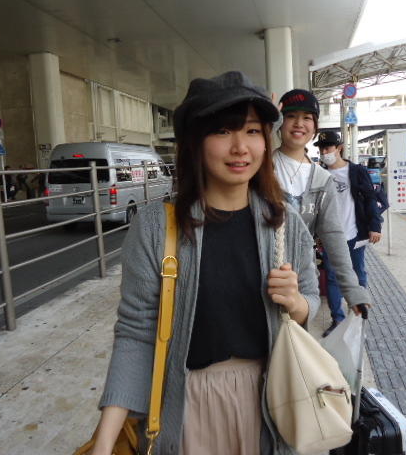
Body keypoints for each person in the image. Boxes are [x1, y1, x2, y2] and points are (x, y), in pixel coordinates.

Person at [90, 71, 320, 455]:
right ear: (195, 142)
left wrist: (296, 303)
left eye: (252, 131)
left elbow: (311, 300)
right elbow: (136, 332)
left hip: (271, 404)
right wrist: (104, 442)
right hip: (187, 407)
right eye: (223, 131)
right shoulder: (156, 227)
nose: (240, 147)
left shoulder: (284, 222)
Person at [272, 89, 371, 331]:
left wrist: (352, 290)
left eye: (307, 117)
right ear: (279, 122)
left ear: (315, 126)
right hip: (262, 276)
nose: (299, 123)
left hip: (301, 283)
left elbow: (333, 235)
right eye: (291, 116)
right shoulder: (261, 168)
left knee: (294, 346)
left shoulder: (322, 179)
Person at [314, 130, 382, 337]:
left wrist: (375, 226)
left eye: (328, 148)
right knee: (333, 278)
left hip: (354, 233)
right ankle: (337, 319)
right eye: (321, 149)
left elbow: (370, 198)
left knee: (358, 273)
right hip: (330, 237)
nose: (324, 152)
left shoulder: (357, 171)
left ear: (339, 148)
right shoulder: (319, 174)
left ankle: (359, 316)